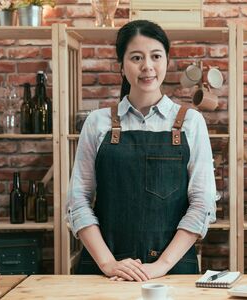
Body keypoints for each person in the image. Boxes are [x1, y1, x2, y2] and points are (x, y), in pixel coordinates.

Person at [66, 20, 216, 281]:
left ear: (167, 61)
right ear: (121, 67)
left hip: (172, 272)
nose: (147, 66)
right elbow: (78, 201)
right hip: (105, 274)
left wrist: (160, 266)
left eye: (156, 56)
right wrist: (109, 263)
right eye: (136, 57)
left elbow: (202, 205)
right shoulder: (97, 122)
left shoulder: (192, 122)